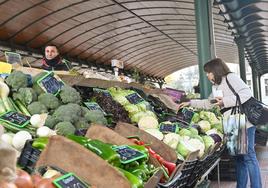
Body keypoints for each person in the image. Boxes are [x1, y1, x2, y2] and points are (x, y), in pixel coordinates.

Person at [178, 58, 262, 188]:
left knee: (249, 157)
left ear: (216, 70)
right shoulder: (216, 85)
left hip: (242, 120)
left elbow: (247, 94)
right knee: (239, 159)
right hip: (232, 123)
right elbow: (209, 103)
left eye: (208, 72)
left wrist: (225, 101)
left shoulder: (230, 77)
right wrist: (190, 103)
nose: (207, 75)